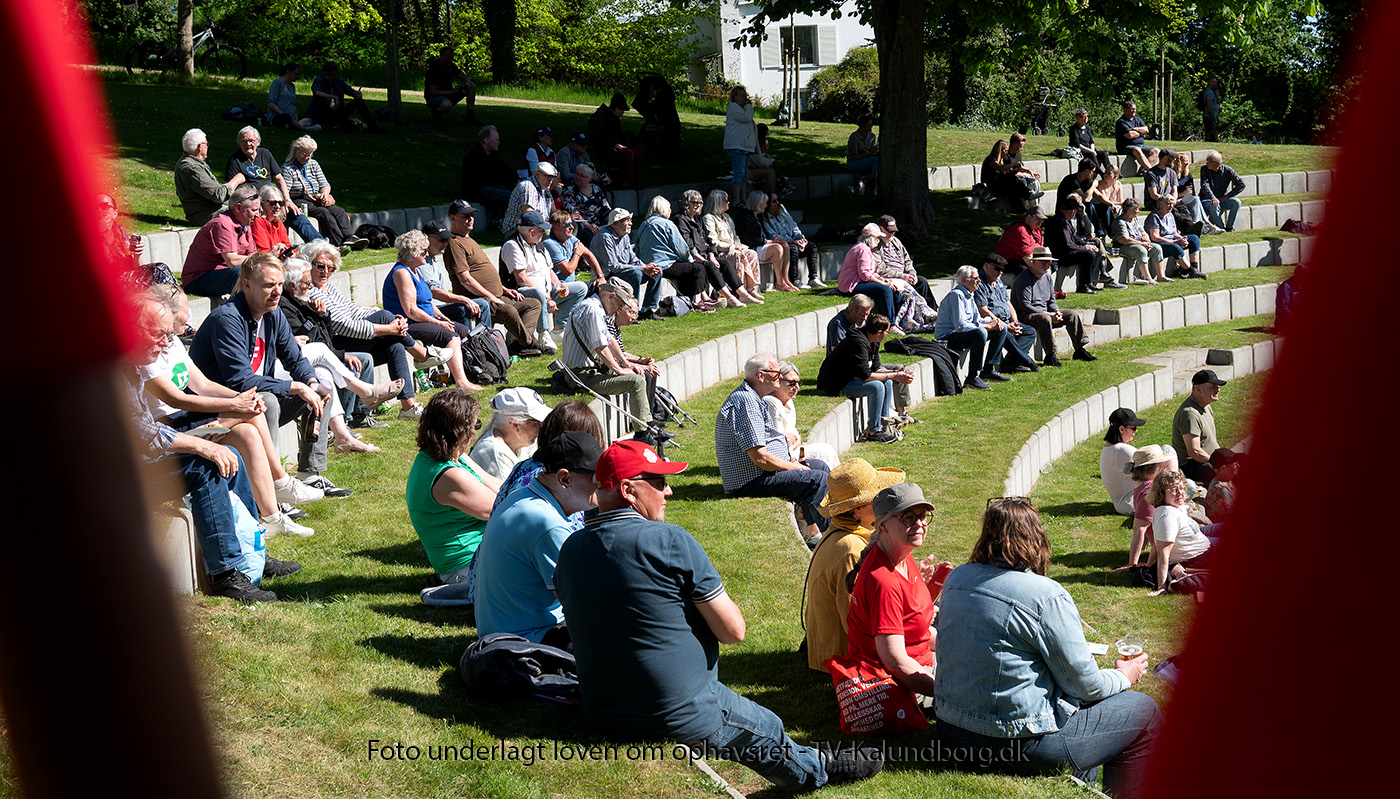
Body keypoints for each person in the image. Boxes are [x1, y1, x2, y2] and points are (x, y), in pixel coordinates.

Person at [554, 440, 884, 791]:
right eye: (659, 482)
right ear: (628, 490)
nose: (668, 491)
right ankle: (820, 769)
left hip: (603, 712)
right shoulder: (668, 541)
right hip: (678, 711)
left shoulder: (570, 549)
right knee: (767, 728)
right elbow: (733, 631)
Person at [934, 498, 1161, 798]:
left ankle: (1082, 782)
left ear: (986, 535)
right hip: (1016, 742)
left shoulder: (956, 578)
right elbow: (1086, 686)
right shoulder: (1045, 595)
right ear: (1036, 537)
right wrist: (1124, 675)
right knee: (1143, 710)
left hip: (952, 732)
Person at [124, 293, 302, 602]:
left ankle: (252, 549)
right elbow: (145, 434)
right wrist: (201, 446)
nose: (166, 343)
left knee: (230, 456)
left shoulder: (133, 363)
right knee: (206, 468)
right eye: (158, 334)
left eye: (168, 334)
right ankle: (225, 574)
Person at [142, 284, 323, 536]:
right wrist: (236, 404)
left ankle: (270, 518)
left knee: (247, 432)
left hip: (184, 418)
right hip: (166, 427)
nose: (189, 314)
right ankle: (280, 481)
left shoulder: (173, 343)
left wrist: (241, 397)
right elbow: (177, 399)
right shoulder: (147, 351)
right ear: (168, 314)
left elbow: (203, 385)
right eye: (185, 309)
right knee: (248, 411)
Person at [188, 252, 354, 500]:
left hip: (251, 399)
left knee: (319, 387)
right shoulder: (227, 319)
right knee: (269, 400)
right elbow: (240, 381)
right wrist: (296, 387)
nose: (277, 292)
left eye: (279, 284)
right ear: (247, 284)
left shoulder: (273, 313)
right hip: (218, 409)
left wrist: (310, 383)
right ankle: (272, 487)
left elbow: (295, 359)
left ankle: (309, 474)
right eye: (268, 285)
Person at [473, 431, 602, 648]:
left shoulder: (523, 495)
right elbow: (581, 604)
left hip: (501, 633)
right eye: (594, 476)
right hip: (525, 642)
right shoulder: (547, 523)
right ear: (565, 479)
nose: (601, 483)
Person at [278, 257, 402, 448]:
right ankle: (366, 393)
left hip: (317, 357)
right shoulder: (284, 306)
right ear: (292, 285)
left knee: (328, 373)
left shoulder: (303, 301)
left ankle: (343, 435)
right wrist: (340, 354)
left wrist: (323, 316)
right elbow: (307, 341)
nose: (310, 287)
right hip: (288, 366)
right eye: (307, 283)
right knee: (335, 358)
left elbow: (326, 337)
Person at [846, 483, 952, 700]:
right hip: (902, 684)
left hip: (920, 664)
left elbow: (916, 629)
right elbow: (896, 663)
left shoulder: (903, 556)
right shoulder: (884, 581)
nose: (920, 524)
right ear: (884, 525)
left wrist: (958, 646)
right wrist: (949, 693)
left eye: (922, 516)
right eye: (908, 518)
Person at [304, 239, 426, 420]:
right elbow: (342, 325)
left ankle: (408, 406)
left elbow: (354, 311)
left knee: (395, 347)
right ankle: (419, 353)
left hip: (351, 338)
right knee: (385, 317)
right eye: (320, 266)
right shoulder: (311, 292)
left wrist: (387, 318)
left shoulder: (328, 288)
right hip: (335, 344)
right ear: (309, 265)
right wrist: (387, 327)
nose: (325, 272)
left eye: (331, 268)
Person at [717, 354, 832, 542]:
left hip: (762, 473)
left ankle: (815, 532)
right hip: (750, 482)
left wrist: (791, 460)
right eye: (777, 373)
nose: (780, 377)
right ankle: (833, 541)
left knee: (820, 466)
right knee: (817, 479)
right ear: (761, 376)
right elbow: (760, 457)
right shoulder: (745, 401)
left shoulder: (754, 397)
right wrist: (794, 467)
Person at [804, 459, 904, 671]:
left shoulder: (841, 534)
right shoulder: (852, 549)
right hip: (843, 663)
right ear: (856, 511)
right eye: (878, 500)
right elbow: (858, 625)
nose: (887, 506)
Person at [407, 389, 503, 601]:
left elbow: (497, 485)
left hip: (481, 554)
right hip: (467, 565)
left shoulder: (450, 457)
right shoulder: (449, 475)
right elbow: (500, 508)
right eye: (475, 426)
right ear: (460, 431)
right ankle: (459, 591)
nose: (475, 433)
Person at [384, 229, 486, 391]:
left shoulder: (415, 271)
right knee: (451, 336)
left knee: (463, 331)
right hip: (408, 324)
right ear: (412, 253)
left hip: (423, 319)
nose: (426, 254)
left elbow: (427, 301)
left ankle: (470, 373)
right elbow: (411, 311)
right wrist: (437, 322)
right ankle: (461, 383)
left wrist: (442, 317)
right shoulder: (402, 273)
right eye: (423, 251)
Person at [443, 200, 543, 352]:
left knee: (532, 304)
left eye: (472, 215)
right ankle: (530, 344)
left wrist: (504, 290)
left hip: (497, 295)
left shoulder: (469, 240)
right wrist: (490, 296)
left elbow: (482, 272)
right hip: (479, 300)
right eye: (465, 216)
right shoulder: (454, 243)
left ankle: (520, 344)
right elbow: (465, 279)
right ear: (452, 218)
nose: (470, 219)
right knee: (509, 312)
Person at [558, 278, 650, 434]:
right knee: (636, 381)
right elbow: (600, 346)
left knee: (639, 372)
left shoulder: (596, 308)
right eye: (620, 305)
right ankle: (643, 433)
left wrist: (626, 363)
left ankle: (648, 422)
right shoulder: (592, 310)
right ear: (611, 297)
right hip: (580, 377)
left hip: (589, 371)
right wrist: (619, 370)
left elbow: (609, 340)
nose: (619, 309)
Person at [818, 313, 914, 439]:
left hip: (851, 379)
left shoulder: (873, 340)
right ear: (879, 332)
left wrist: (897, 373)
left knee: (887, 382)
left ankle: (885, 425)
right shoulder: (857, 342)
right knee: (877, 387)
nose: (887, 334)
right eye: (887, 332)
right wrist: (894, 375)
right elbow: (866, 376)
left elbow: (876, 368)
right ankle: (874, 432)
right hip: (834, 384)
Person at [224, 126, 322, 245]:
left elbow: (279, 178)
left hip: (272, 199)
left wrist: (287, 200)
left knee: (297, 215)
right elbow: (232, 190)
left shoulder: (265, 154)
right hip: (254, 203)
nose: (248, 144)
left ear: (258, 142)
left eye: (251, 141)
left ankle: (321, 246)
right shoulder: (234, 161)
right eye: (244, 141)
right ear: (239, 143)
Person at [503, 210, 584, 350]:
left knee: (580, 288)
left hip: (545, 292)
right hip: (521, 294)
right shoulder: (513, 245)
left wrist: (558, 284)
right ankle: (543, 334)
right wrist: (547, 297)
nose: (545, 233)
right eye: (541, 230)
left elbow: (549, 270)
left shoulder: (539, 245)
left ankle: (558, 329)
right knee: (539, 291)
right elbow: (522, 280)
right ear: (531, 232)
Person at [1010, 247, 1097, 366]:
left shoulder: (1047, 277)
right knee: (1044, 318)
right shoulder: (1023, 279)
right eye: (1043, 262)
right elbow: (1025, 306)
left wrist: (1056, 311)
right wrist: (1049, 315)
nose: (1047, 265)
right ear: (1033, 262)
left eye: (1049, 262)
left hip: (1045, 313)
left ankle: (1079, 349)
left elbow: (1051, 300)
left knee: (1071, 315)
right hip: (1026, 316)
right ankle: (1050, 355)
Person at [634, 196, 714, 311]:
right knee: (698, 267)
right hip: (665, 265)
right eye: (669, 208)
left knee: (686, 269)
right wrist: (690, 259)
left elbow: (637, 248)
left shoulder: (643, 225)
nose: (670, 210)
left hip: (648, 266)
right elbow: (681, 249)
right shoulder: (667, 224)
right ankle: (697, 301)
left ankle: (689, 300)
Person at [1148, 469, 1220, 596]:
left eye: (1181, 488)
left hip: (1199, 539)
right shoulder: (1168, 516)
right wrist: (1161, 587)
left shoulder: (1175, 506)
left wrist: (1147, 565)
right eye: (1174, 490)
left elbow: (1157, 542)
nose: (1180, 492)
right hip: (1198, 556)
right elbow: (1163, 552)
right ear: (1161, 493)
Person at [281, 135, 362, 248]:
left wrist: (324, 194)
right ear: (296, 150)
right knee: (323, 213)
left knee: (339, 211)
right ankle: (338, 243)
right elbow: (286, 191)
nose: (307, 157)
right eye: (304, 154)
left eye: (310, 154)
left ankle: (350, 237)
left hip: (317, 198)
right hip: (299, 199)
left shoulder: (314, 164)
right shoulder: (288, 168)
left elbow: (324, 184)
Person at [180, 184, 259, 298]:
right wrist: (265, 258)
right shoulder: (223, 224)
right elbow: (232, 261)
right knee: (240, 274)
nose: (258, 215)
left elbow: (253, 256)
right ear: (238, 208)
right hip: (197, 280)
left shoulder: (246, 225)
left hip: (222, 274)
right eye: (254, 210)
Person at [676, 189, 751, 307]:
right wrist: (702, 258)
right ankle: (730, 298)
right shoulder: (680, 220)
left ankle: (743, 294)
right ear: (686, 203)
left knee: (724, 262)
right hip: (693, 258)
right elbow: (687, 244)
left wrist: (711, 255)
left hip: (705, 255)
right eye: (694, 202)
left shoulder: (698, 219)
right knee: (710, 265)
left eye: (700, 202)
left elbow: (710, 241)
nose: (698, 205)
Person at [591, 208, 666, 319]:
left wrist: (647, 267)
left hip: (624, 272)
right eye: (626, 221)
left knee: (657, 271)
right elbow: (613, 266)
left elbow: (632, 258)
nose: (631, 223)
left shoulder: (624, 236)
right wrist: (642, 269)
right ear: (615, 223)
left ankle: (649, 310)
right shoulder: (604, 237)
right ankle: (632, 311)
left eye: (630, 220)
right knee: (636, 273)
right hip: (607, 277)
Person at [934, 265, 1000, 390]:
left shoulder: (969, 294)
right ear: (964, 280)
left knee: (1000, 330)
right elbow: (961, 326)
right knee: (980, 333)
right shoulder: (957, 295)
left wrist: (993, 322)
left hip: (961, 334)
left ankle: (988, 369)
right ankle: (972, 377)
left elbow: (977, 320)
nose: (979, 281)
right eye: (975, 278)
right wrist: (986, 326)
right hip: (948, 337)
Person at [765, 360, 838, 469]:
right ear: (778, 381)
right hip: (784, 458)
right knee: (824, 451)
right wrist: (794, 440)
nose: (797, 388)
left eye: (798, 383)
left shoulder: (789, 401)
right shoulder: (772, 403)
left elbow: (795, 436)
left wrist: (795, 440)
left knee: (826, 450)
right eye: (792, 383)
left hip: (793, 449)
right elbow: (779, 444)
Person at [973, 254, 1039, 374]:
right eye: (997, 268)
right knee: (1005, 334)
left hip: (1007, 321)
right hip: (993, 324)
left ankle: (1011, 363)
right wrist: (1006, 326)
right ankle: (1028, 361)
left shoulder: (998, 282)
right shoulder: (979, 284)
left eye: (1002, 270)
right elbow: (983, 311)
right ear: (986, 266)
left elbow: (1009, 304)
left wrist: (1015, 322)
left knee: (1030, 331)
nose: (1000, 273)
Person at [470, 387, 552, 481]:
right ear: (515, 424)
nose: (541, 427)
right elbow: (505, 489)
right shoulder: (496, 453)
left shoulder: (519, 442)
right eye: (537, 423)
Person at [1118, 445, 1176, 570]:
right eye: (1162, 463)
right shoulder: (1149, 492)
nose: (1166, 465)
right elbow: (1139, 529)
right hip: (1171, 547)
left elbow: (1147, 521)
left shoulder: (1142, 486)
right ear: (1153, 468)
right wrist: (1132, 565)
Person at [174, 127, 246, 225]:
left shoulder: (191, 163)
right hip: (207, 214)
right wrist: (237, 180)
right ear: (200, 147)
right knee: (247, 211)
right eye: (206, 144)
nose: (207, 147)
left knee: (252, 205)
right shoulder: (192, 168)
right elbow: (218, 195)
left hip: (210, 210)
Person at [1047, 195, 1117, 294]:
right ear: (1072, 211)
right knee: (1088, 254)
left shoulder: (1066, 221)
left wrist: (1089, 246)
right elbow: (1068, 245)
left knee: (1097, 252)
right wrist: (1085, 247)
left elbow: (1076, 238)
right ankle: (1082, 285)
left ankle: (1090, 282)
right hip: (1060, 254)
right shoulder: (1059, 222)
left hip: (1068, 251)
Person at [702, 189, 763, 301]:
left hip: (734, 247)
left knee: (752, 254)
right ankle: (738, 290)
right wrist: (732, 247)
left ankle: (750, 289)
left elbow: (735, 237)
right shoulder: (708, 218)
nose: (729, 202)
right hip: (721, 252)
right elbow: (713, 241)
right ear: (718, 203)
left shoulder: (727, 217)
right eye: (726, 201)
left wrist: (738, 246)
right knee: (738, 256)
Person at [1172, 369, 1225, 484]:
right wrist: (1216, 464)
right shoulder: (1189, 414)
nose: (1218, 390)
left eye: (1217, 387)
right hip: (1193, 466)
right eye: (1212, 387)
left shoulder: (1206, 407)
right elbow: (1194, 451)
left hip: (1207, 461)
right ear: (1198, 389)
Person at [838, 223, 899, 320]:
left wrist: (882, 279)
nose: (879, 240)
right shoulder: (863, 249)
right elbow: (864, 275)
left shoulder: (864, 248)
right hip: (851, 285)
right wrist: (882, 283)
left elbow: (870, 272)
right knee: (885, 290)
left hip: (859, 282)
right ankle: (890, 323)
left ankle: (898, 319)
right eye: (878, 238)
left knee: (894, 290)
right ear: (871, 238)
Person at [735, 192, 795, 291]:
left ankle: (785, 279)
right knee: (777, 248)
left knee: (785, 246)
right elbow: (751, 240)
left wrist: (774, 240)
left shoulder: (757, 216)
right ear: (758, 203)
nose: (766, 206)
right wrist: (771, 242)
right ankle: (779, 283)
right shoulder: (744, 216)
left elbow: (762, 236)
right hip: (750, 247)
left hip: (759, 245)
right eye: (764, 203)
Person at [764, 193, 823, 289]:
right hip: (784, 244)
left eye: (778, 200)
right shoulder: (765, 218)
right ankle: (795, 280)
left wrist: (801, 239)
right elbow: (773, 236)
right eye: (774, 201)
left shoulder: (782, 210)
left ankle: (813, 278)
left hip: (794, 240)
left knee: (811, 246)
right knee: (793, 249)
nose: (777, 203)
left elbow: (793, 225)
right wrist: (792, 241)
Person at [587, 91, 643, 189]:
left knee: (638, 151)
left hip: (615, 147)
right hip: (605, 150)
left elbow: (619, 136)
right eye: (622, 110)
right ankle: (626, 181)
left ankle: (633, 180)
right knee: (628, 153)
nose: (622, 113)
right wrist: (613, 144)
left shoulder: (614, 119)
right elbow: (598, 135)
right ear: (616, 108)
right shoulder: (600, 117)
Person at [308, 60, 384, 132]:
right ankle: (342, 123)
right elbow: (317, 92)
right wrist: (334, 97)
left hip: (338, 113)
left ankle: (372, 126)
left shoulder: (339, 83)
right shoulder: (319, 81)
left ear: (335, 72)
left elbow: (350, 91)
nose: (327, 73)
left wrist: (356, 94)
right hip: (323, 114)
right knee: (321, 100)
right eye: (325, 71)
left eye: (330, 71)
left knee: (359, 102)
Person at [461, 125, 518, 219]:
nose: (498, 142)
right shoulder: (474, 156)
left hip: (492, 188)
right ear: (486, 140)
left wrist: (515, 181)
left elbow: (506, 171)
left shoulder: (493, 155)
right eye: (496, 140)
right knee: (510, 196)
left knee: (514, 193)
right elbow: (488, 179)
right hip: (478, 192)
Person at [873, 215, 932, 304]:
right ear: (881, 229)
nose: (892, 234)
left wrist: (911, 273)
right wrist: (901, 276)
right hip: (890, 278)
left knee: (922, 282)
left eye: (894, 231)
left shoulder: (896, 241)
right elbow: (880, 269)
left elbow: (907, 260)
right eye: (889, 231)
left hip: (903, 276)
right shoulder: (875, 244)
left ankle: (932, 311)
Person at [1146, 195, 1205, 279]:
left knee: (1194, 239)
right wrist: (1174, 242)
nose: (1171, 206)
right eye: (1169, 204)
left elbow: (1174, 233)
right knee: (1175, 247)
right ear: (1161, 204)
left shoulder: (1170, 215)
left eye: (1172, 204)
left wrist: (1182, 239)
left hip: (1172, 241)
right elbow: (1155, 237)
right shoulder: (1153, 217)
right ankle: (1191, 271)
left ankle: (1194, 268)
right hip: (1159, 244)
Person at [1101, 408, 1147, 516]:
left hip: (1124, 503)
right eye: (1133, 428)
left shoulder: (1108, 448)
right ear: (1121, 429)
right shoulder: (1123, 450)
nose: (1136, 431)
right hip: (1131, 502)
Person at [1112, 198, 1168, 284]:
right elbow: (1125, 239)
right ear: (1129, 210)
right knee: (1141, 250)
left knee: (1157, 248)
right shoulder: (1120, 222)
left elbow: (1143, 233)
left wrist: (1147, 242)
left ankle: (1161, 276)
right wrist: (1142, 244)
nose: (1138, 211)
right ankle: (1147, 277)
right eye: (1136, 209)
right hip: (1123, 247)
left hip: (1138, 243)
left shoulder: (1135, 219)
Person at [559, 163, 612, 247]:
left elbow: (605, 209)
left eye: (582, 176)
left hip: (599, 223)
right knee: (593, 238)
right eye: (577, 174)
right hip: (582, 225)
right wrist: (588, 226)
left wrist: (612, 222)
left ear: (590, 179)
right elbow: (574, 214)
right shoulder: (569, 191)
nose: (578, 177)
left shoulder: (596, 189)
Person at [500, 161, 560, 234]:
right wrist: (546, 225)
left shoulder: (545, 189)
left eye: (552, 177)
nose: (550, 180)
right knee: (547, 230)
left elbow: (554, 212)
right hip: (516, 231)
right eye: (547, 176)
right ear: (537, 174)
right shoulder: (527, 186)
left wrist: (565, 220)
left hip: (533, 229)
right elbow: (529, 215)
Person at [724, 85, 758, 205]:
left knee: (744, 175)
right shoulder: (733, 108)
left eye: (745, 95)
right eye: (741, 95)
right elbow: (747, 117)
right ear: (734, 96)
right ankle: (736, 200)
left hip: (744, 148)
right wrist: (749, 106)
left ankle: (743, 200)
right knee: (739, 174)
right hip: (736, 147)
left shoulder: (741, 110)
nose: (744, 98)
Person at [424, 46, 476, 122]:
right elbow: (433, 92)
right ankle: (437, 111)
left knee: (472, 86)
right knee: (447, 105)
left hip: (449, 94)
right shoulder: (434, 69)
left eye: (451, 58)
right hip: (434, 98)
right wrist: (451, 92)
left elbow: (464, 76)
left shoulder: (451, 66)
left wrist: (467, 82)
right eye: (448, 58)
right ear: (441, 56)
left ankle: (470, 115)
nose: (450, 60)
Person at [980, 139, 1035, 209]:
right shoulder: (991, 160)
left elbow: (1004, 173)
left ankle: (1021, 208)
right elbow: (1000, 168)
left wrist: (1016, 170)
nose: (1007, 153)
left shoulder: (1001, 160)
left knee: (1013, 188)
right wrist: (1014, 164)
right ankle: (1027, 195)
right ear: (1000, 150)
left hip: (998, 184)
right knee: (1011, 179)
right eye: (1006, 151)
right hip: (990, 186)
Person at [1199, 150, 1245, 233]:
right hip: (1207, 199)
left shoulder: (1227, 170)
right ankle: (1221, 228)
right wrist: (1213, 197)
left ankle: (1230, 227)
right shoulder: (1204, 169)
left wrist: (1227, 196)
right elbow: (1205, 185)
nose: (1207, 164)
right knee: (1214, 205)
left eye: (1209, 162)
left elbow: (1241, 184)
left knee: (1236, 202)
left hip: (1222, 199)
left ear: (1217, 163)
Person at [993, 206, 1047, 274]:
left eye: (1042, 220)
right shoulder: (1020, 230)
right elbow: (1027, 257)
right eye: (1037, 219)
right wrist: (1039, 272)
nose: (1040, 223)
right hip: (1007, 262)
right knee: (1028, 273)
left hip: (1024, 259)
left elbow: (1040, 249)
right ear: (1029, 217)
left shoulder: (1037, 229)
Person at [265, 61, 318, 131]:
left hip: (291, 115)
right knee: (286, 119)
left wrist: (295, 115)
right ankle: (304, 128)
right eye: (296, 74)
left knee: (309, 119)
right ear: (288, 72)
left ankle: (294, 125)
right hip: (279, 115)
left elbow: (292, 104)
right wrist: (282, 114)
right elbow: (271, 103)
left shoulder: (292, 86)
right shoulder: (277, 83)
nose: (297, 76)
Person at [1114, 100, 1157, 173]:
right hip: (1125, 146)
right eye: (1132, 109)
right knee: (1137, 150)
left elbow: (1146, 130)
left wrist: (1135, 129)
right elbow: (1129, 135)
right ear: (1125, 110)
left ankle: (1143, 171)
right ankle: (1151, 172)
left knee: (1156, 151)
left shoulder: (1138, 119)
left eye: (1135, 109)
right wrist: (1141, 133)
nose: (1134, 111)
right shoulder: (1121, 122)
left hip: (1140, 145)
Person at [251, 184, 293, 257]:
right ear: (262, 203)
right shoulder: (257, 221)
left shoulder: (278, 222)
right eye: (273, 203)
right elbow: (263, 252)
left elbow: (287, 246)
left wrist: (292, 253)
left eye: (280, 203)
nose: (278, 206)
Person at [1067, 108, 1112, 175]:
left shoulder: (1087, 128)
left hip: (1089, 149)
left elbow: (1091, 141)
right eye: (1084, 117)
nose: (1086, 118)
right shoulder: (1074, 129)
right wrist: (1091, 151)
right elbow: (1077, 144)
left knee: (1103, 154)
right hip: (1080, 149)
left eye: (1087, 116)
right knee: (1091, 154)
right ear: (1078, 118)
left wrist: (1092, 149)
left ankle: (1111, 171)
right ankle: (1100, 172)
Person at [1087, 164, 1124, 241]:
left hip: (1110, 207)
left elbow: (1120, 201)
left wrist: (1114, 204)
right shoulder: (1100, 184)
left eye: (1109, 173)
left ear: (1115, 176)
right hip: (1099, 207)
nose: (1105, 175)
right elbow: (1103, 200)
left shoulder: (1118, 184)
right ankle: (1112, 232)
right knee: (1108, 208)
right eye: (1105, 172)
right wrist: (1113, 204)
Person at [1203, 448, 1240, 523]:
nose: (1238, 466)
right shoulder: (1221, 489)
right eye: (1235, 464)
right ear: (1223, 468)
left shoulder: (1225, 480)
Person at [846, 114, 879, 183]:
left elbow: (871, 152)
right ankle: (874, 181)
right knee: (876, 160)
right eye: (868, 125)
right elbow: (855, 157)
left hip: (865, 160)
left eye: (871, 125)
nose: (871, 127)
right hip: (853, 163)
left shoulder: (872, 136)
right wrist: (869, 153)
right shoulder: (854, 137)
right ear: (862, 125)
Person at [1201, 76, 1221, 142]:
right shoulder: (1209, 92)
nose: (1215, 84)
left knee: (1213, 132)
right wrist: (1212, 115)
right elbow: (1209, 104)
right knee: (1210, 134)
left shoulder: (1213, 92)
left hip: (1213, 116)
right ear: (1209, 82)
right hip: (1209, 116)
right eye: (1214, 82)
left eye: (1216, 82)